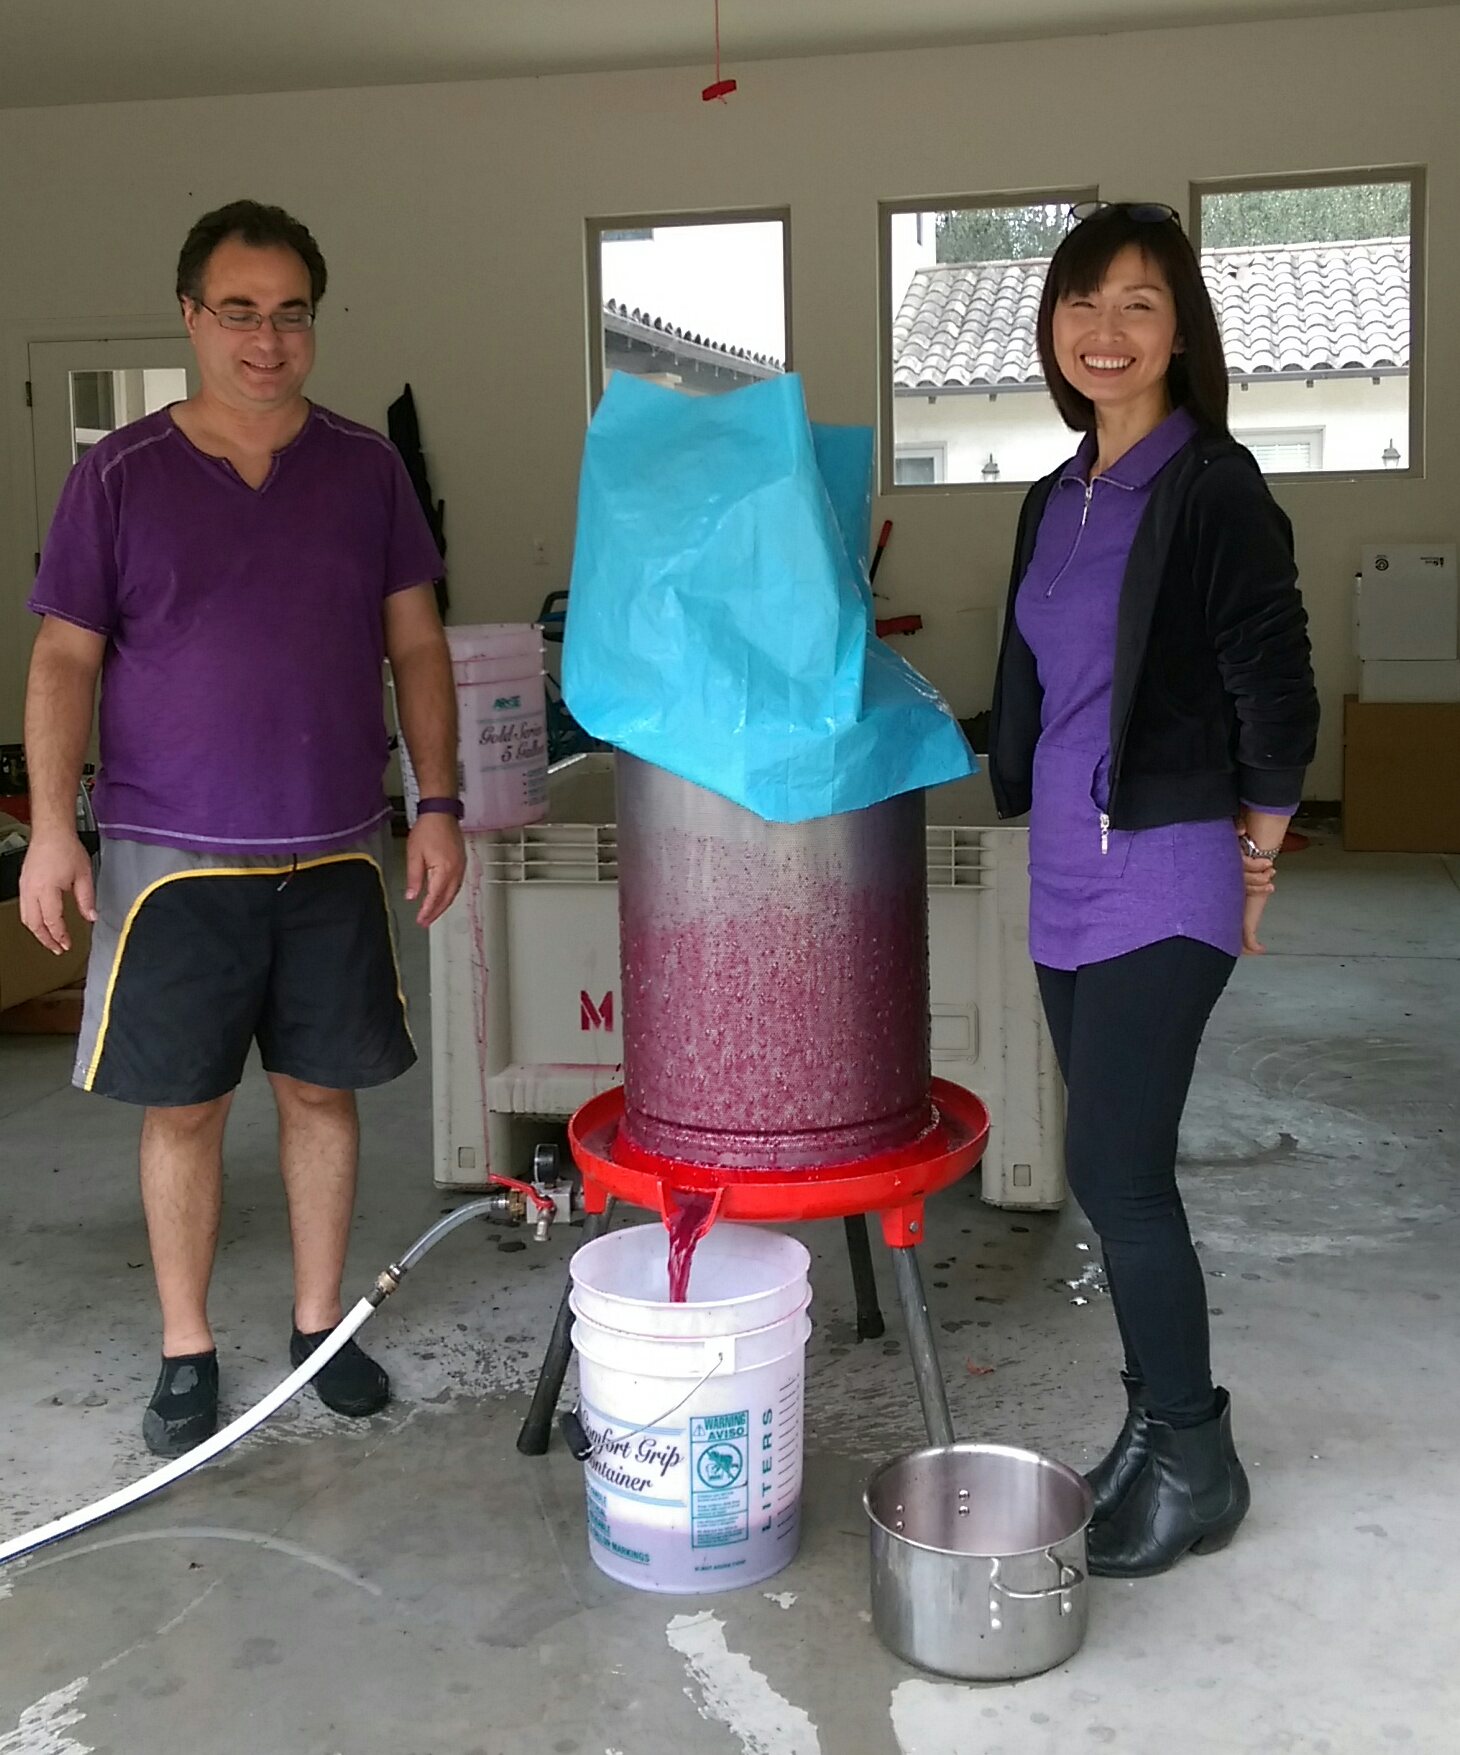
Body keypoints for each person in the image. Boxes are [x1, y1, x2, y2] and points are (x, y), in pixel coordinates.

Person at [19, 200, 466, 1458]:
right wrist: (52, 828)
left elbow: (418, 647)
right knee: (185, 1107)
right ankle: (187, 1348)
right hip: (172, 860)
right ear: (191, 317)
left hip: (334, 847)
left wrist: (437, 806)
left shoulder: (366, 470)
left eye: (290, 314)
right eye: (238, 313)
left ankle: (320, 1325)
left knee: (321, 1094)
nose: (266, 341)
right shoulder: (117, 477)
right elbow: (62, 659)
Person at [987, 200, 1319, 1577]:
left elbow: (1275, 686)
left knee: (1118, 1174)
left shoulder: (1213, 487)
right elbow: (1045, 687)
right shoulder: (1054, 494)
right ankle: (1149, 1427)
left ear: (1180, 329)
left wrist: (1258, 856)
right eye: (1081, 302)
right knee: (1108, 1171)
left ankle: (1195, 1457)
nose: (1104, 330)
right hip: (1065, 868)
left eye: (1137, 302)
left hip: (1168, 863)